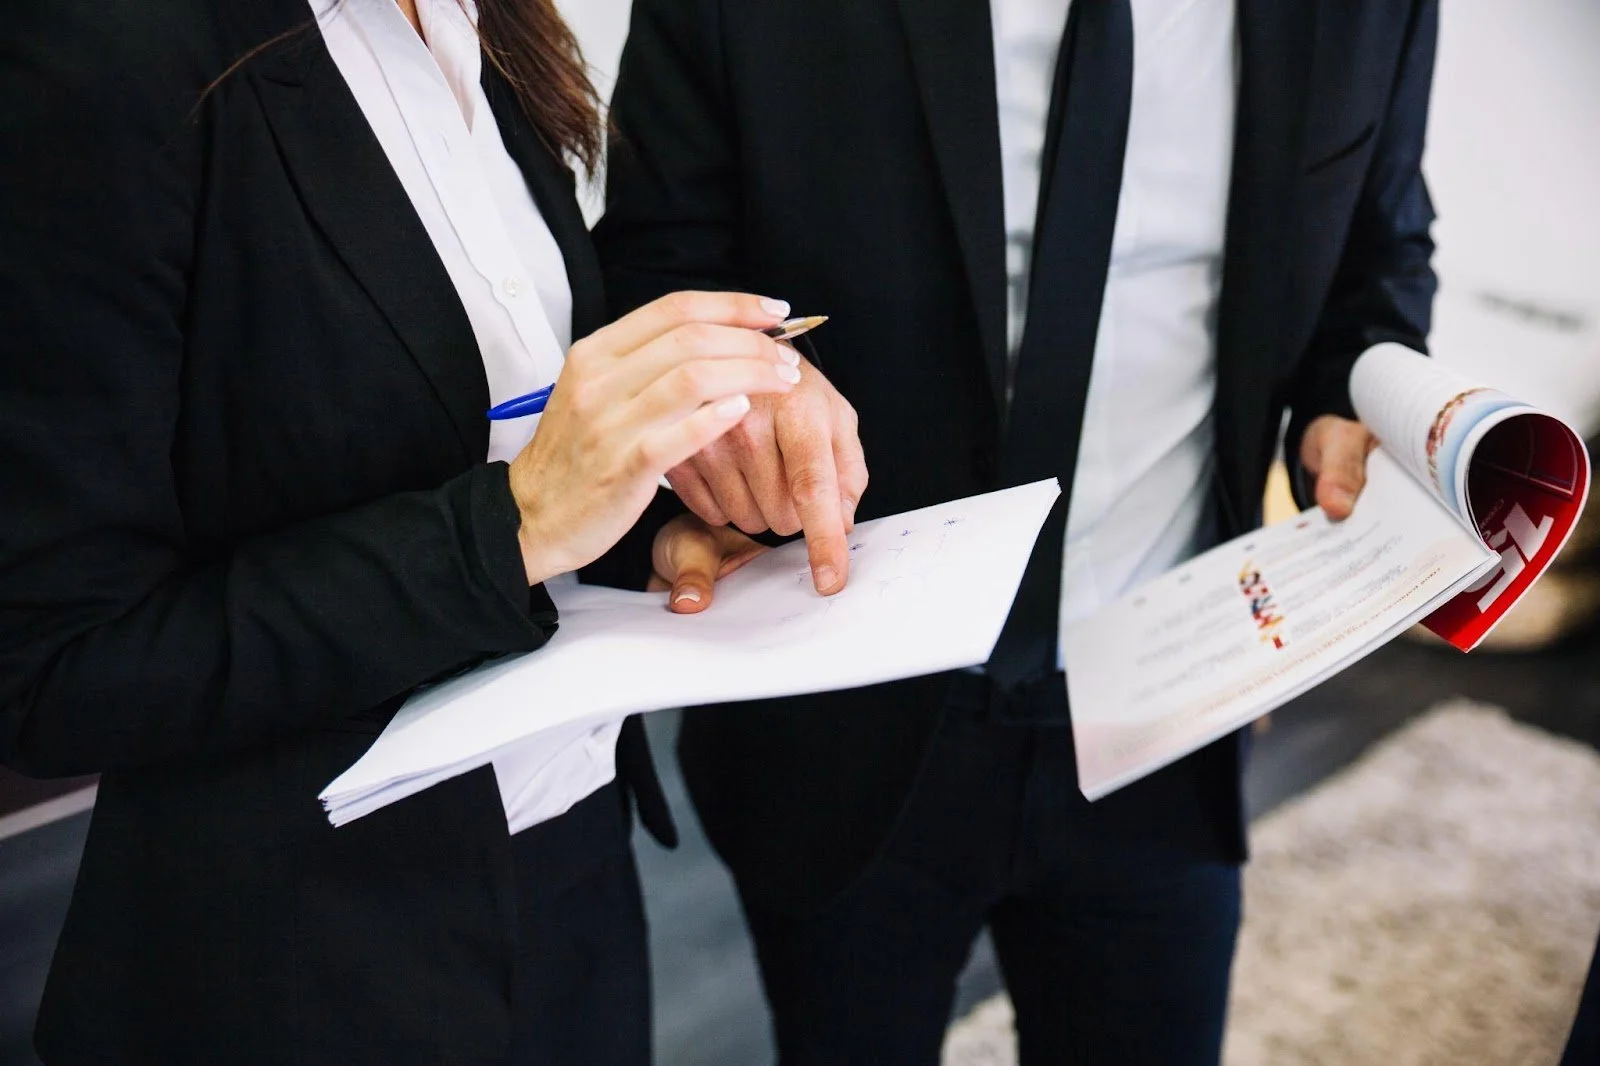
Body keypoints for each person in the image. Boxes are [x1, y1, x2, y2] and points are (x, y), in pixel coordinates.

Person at [596, 0, 1439, 1061]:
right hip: (839, 703)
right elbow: (654, 262)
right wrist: (746, 403)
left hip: (1167, 698)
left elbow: (1377, 259)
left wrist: (1343, 400)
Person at [0, 0, 801, 1062]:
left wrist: (641, 526)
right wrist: (512, 528)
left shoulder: (490, 30)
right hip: (300, 960)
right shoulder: (107, 50)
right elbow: (55, 669)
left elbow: (473, 429)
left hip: (573, 865)